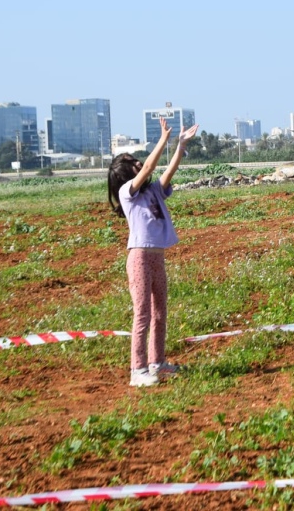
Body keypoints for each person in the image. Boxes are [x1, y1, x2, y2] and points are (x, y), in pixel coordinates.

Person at [108, 118, 199, 386]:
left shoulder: (153, 191)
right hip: (139, 257)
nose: (138, 162)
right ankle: (138, 371)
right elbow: (149, 166)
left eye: (137, 160)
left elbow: (166, 173)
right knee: (143, 313)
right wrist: (163, 139)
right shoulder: (128, 192)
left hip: (156, 256)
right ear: (126, 173)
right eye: (133, 162)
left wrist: (180, 147)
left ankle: (157, 363)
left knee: (160, 311)